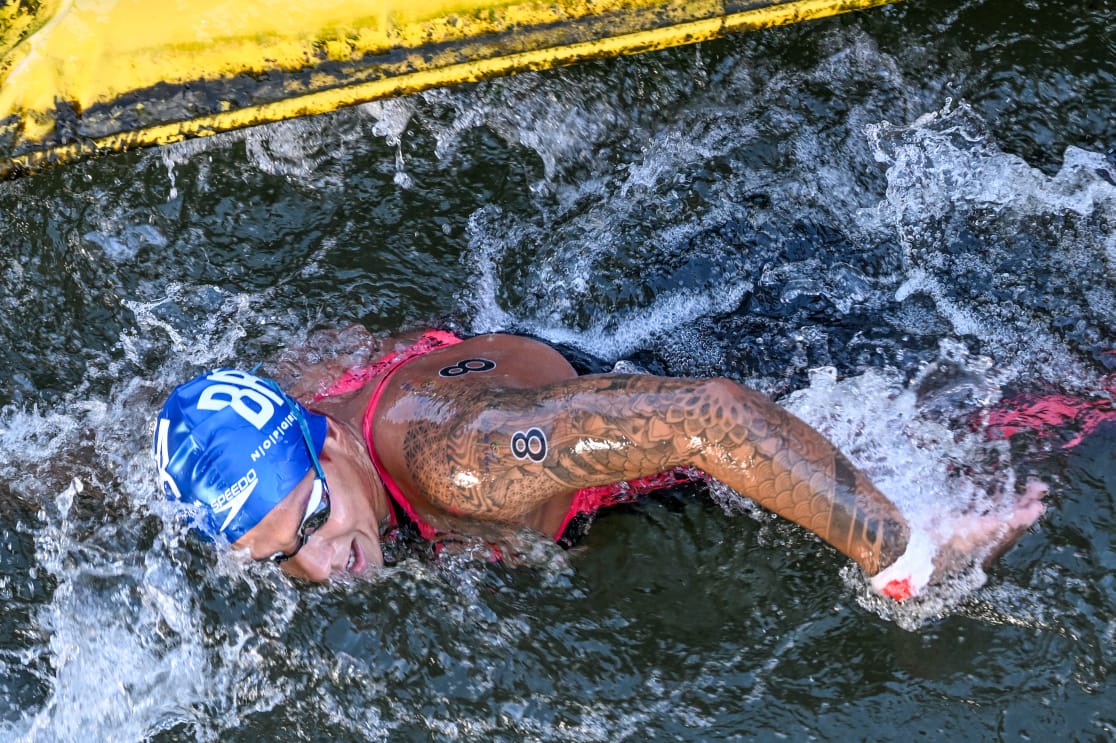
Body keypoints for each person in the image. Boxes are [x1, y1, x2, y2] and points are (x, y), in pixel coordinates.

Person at [153, 328, 1047, 600]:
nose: (322, 558)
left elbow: (710, 415)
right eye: (281, 554)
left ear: (332, 439)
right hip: (567, 365)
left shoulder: (469, 466)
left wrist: (902, 554)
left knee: (1056, 399)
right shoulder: (315, 392)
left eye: (314, 517)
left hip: (785, 364)